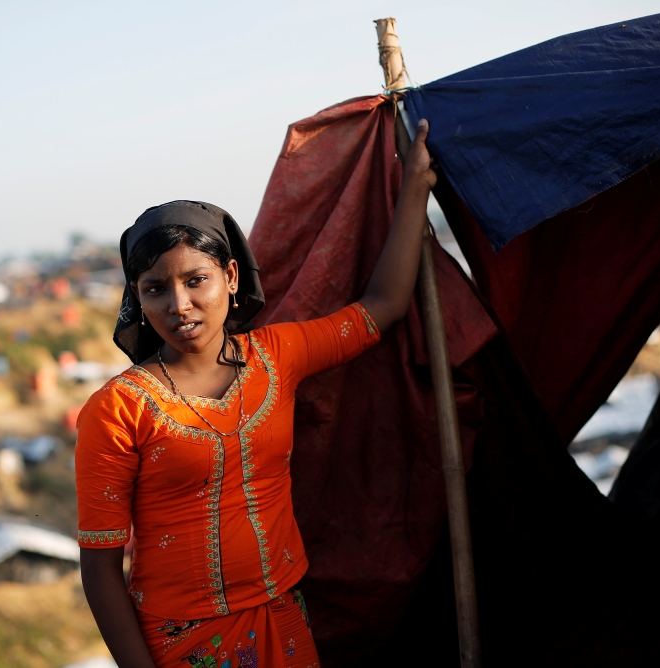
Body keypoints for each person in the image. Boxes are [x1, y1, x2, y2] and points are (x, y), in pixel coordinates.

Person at [77, 119, 437, 668]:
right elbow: (100, 570)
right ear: (138, 299)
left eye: (196, 279)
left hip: (284, 619)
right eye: (155, 289)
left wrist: (413, 187)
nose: (179, 305)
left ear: (230, 276)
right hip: (182, 641)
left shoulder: (278, 356)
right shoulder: (116, 409)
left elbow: (381, 307)